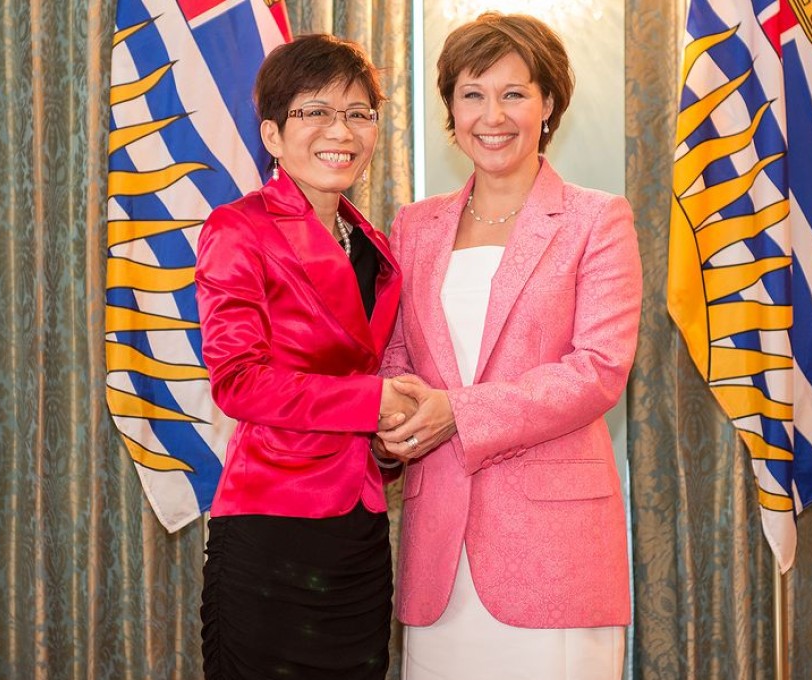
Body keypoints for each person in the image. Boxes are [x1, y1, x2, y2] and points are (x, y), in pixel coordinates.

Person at [375, 12, 642, 680]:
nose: (492, 115)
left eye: (514, 93)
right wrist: (391, 419)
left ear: (548, 104)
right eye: (472, 94)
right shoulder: (413, 225)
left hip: (556, 556)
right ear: (451, 109)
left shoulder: (596, 220)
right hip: (437, 554)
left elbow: (598, 370)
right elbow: (399, 355)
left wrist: (457, 413)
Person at [195, 34, 413, 680]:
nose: (338, 129)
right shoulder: (237, 229)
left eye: (357, 113)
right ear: (271, 134)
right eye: (313, 111)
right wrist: (372, 402)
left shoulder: (374, 244)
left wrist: (386, 440)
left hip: (360, 542)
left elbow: (360, 372)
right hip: (271, 532)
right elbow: (238, 382)